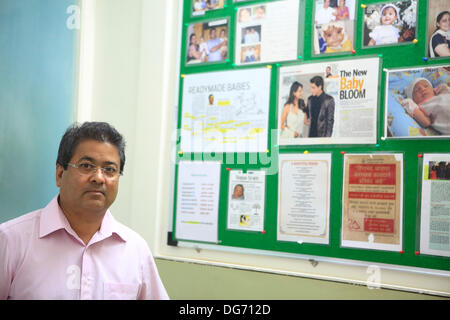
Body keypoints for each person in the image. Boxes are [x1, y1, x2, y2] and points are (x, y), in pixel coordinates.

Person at [0, 122, 169, 300]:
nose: (98, 177)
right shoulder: (11, 241)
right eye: (86, 166)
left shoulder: (135, 250)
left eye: (110, 170)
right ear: (59, 174)